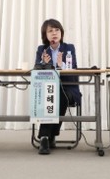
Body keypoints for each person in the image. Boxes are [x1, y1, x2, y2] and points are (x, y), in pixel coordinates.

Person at [34, 18, 82, 155]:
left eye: (57, 30)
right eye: (50, 31)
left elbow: (73, 71)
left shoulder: (69, 48)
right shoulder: (42, 50)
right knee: (53, 95)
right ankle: (49, 136)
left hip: (68, 88)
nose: (54, 33)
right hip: (48, 89)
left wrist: (62, 66)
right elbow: (36, 71)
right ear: (45, 35)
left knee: (58, 95)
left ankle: (45, 136)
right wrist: (43, 64)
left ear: (61, 33)